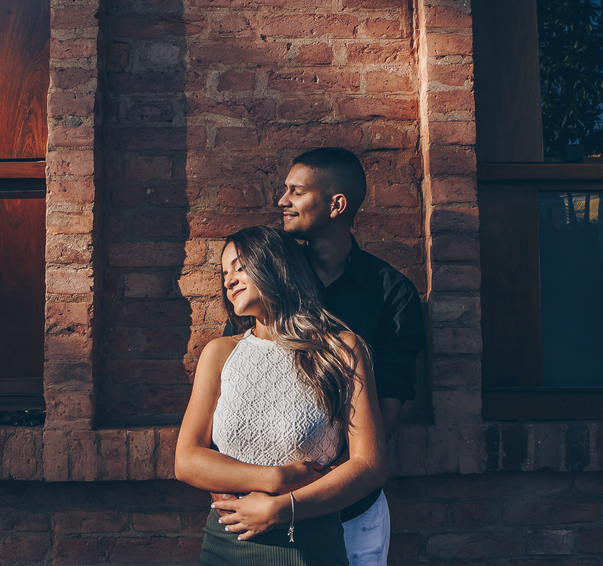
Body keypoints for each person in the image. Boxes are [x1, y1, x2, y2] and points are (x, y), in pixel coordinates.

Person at [175, 225, 387, 566]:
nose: (228, 280)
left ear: (276, 266)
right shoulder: (219, 353)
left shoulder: (342, 350)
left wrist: (282, 509)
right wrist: (278, 478)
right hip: (227, 543)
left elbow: (370, 466)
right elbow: (186, 459)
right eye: (224, 272)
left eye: (239, 267)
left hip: (308, 543)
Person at [277, 147, 426, 565]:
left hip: (352, 508)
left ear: (336, 204)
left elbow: (391, 399)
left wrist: (334, 482)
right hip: (269, 495)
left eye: (296, 191)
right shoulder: (275, 286)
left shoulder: (392, 292)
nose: (282, 201)